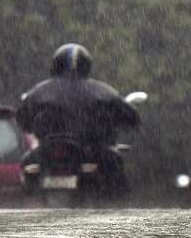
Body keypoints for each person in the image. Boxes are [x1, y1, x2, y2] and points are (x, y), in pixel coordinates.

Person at [16, 43, 140, 197]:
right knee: (116, 168)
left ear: (56, 64)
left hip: (49, 151)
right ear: (86, 65)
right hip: (91, 149)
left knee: (27, 164)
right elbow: (130, 117)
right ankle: (116, 204)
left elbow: (22, 119)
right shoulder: (102, 91)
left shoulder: (38, 91)